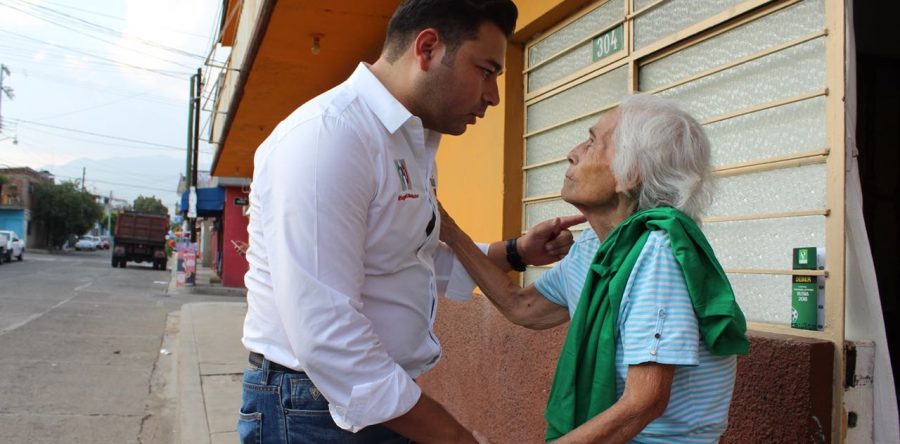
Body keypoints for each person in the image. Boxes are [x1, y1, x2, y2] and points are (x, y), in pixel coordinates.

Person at [239, 1, 582, 443]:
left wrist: (512, 252)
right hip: (316, 408)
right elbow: (326, 334)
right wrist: (454, 437)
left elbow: (406, 258)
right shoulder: (330, 139)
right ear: (428, 49)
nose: (494, 95)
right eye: (485, 70)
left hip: (376, 397)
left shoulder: (410, 141)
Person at [440, 93, 750, 443]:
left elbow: (645, 402)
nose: (572, 152)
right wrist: (450, 231)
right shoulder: (593, 245)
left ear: (629, 175)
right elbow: (522, 307)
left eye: (592, 142)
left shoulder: (658, 253)